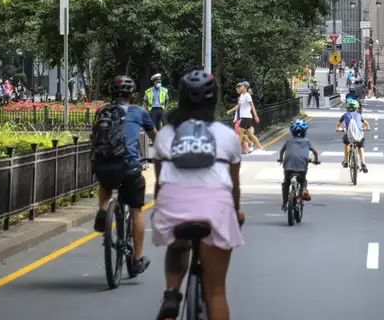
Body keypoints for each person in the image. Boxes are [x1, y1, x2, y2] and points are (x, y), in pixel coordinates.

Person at [151, 70, 245, 320]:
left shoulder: (166, 134)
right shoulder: (227, 136)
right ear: (213, 100)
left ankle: (172, 293)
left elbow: (160, 183)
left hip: (171, 208)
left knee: (178, 245)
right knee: (216, 292)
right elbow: (233, 186)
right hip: (216, 210)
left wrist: (158, 209)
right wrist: (236, 214)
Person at [91, 75, 155, 277]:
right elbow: (155, 137)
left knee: (106, 183)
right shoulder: (139, 112)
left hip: (103, 165)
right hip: (129, 167)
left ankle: (102, 210)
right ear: (133, 95)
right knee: (136, 210)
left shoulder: (102, 111)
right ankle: (136, 260)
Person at [278, 119, 320, 210]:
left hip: (288, 167)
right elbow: (315, 152)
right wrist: (316, 160)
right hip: (301, 167)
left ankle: (285, 203)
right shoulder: (307, 141)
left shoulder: (288, 141)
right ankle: (304, 190)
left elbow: (281, 151)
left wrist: (280, 159)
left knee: (286, 182)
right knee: (303, 180)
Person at [227, 82, 263, 153]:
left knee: (240, 133)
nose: (240, 87)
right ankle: (260, 148)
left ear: (245, 87)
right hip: (244, 117)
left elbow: (252, 106)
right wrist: (230, 110)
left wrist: (255, 116)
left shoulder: (247, 95)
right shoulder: (242, 96)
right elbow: (238, 106)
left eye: (241, 86)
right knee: (250, 134)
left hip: (246, 117)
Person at [336, 100, 370, 173]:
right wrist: (366, 128)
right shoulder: (359, 115)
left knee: (346, 144)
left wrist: (339, 129)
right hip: (359, 136)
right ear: (357, 108)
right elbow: (366, 124)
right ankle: (363, 162)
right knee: (360, 146)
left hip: (348, 135)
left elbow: (338, 126)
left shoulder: (345, 115)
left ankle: (346, 161)